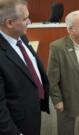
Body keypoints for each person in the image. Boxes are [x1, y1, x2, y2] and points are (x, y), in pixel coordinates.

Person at [0, 0, 49, 135]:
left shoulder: (21, 36)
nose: (30, 22)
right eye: (26, 19)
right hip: (17, 123)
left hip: (33, 110)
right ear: (9, 23)